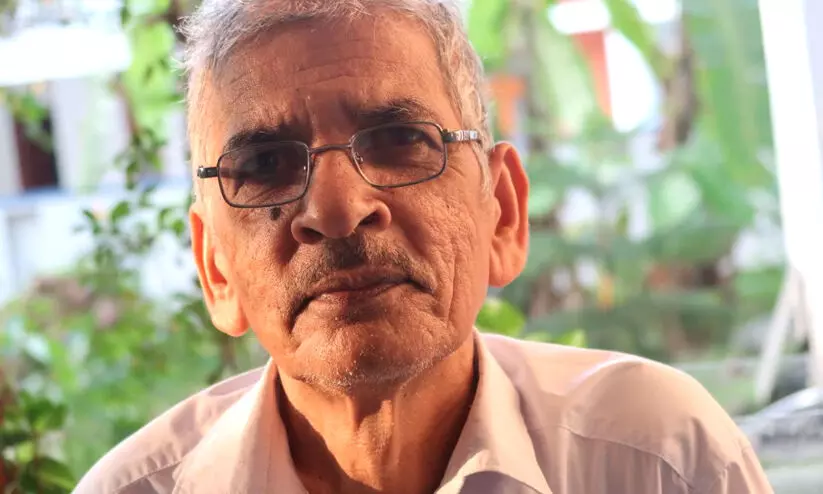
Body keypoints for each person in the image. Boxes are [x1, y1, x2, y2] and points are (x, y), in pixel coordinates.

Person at [74, 1, 773, 493]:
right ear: (214, 267)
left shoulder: (654, 460)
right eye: (263, 165)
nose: (337, 211)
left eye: (398, 140)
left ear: (502, 212)